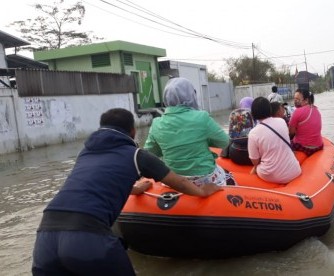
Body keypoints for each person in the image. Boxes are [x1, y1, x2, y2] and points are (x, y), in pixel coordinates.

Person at [32, 108, 222, 276]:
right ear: (132, 131)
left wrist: (133, 189)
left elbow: (94, 182)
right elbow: (178, 182)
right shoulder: (136, 155)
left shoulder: (86, 153)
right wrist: (202, 191)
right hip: (87, 237)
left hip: (45, 238)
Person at [144, 77, 235, 186]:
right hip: (204, 178)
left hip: (173, 181)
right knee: (230, 177)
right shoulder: (202, 117)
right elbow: (224, 142)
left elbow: (150, 153)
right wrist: (205, 140)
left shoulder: (156, 123)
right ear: (191, 96)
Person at [248, 97, 301, 184]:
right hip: (294, 171)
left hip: (271, 175)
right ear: (269, 109)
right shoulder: (281, 121)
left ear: (253, 113)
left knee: (254, 169)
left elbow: (255, 161)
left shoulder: (253, 133)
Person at [288, 89, 324, 156]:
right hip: (319, 146)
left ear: (306, 100)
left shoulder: (297, 112)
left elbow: (291, 134)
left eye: (298, 99)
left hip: (304, 147)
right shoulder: (316, 110)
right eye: (294, 99)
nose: (295, 101)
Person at [223, 96, 256, 165]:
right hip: (251, 157)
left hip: (235, 155)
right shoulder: (255, 115)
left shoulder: (236, 116)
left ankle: (223, 154)